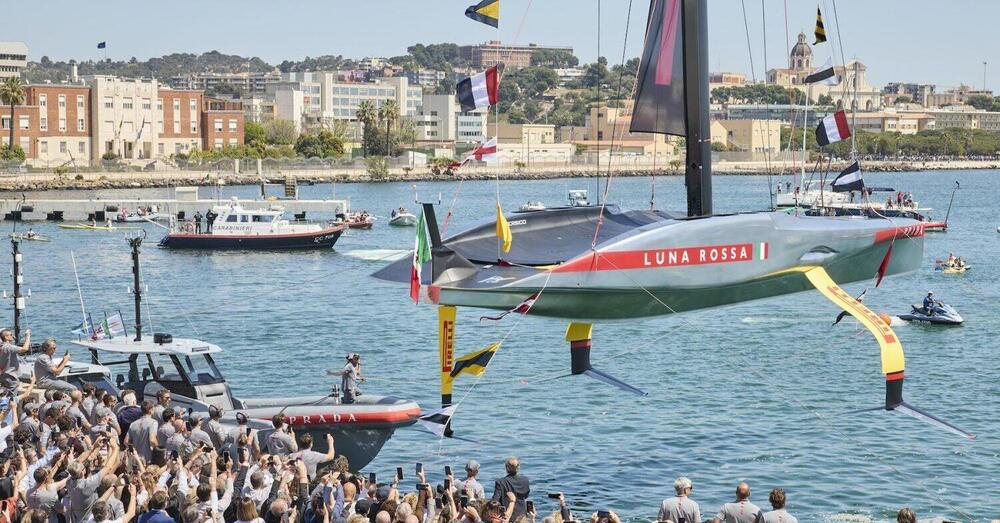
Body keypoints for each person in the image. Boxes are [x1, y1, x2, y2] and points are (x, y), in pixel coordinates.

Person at [491, 457, 529, 522]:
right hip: (522, 517)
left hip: (507, 517)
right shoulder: (525, 480)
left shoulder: (500, 482)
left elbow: (495, 501)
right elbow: (526, 495)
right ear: (518, 467)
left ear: (506, 468)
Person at [0, 328, 30, 396]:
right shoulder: (9, 347)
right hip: (10, 377)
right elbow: (25, 348)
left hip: (3, 375)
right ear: (6, 337)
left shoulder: (2, 347)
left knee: (6, 395)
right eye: (10, 334)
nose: (12, 336)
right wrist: (27, 336)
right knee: (12, 398)